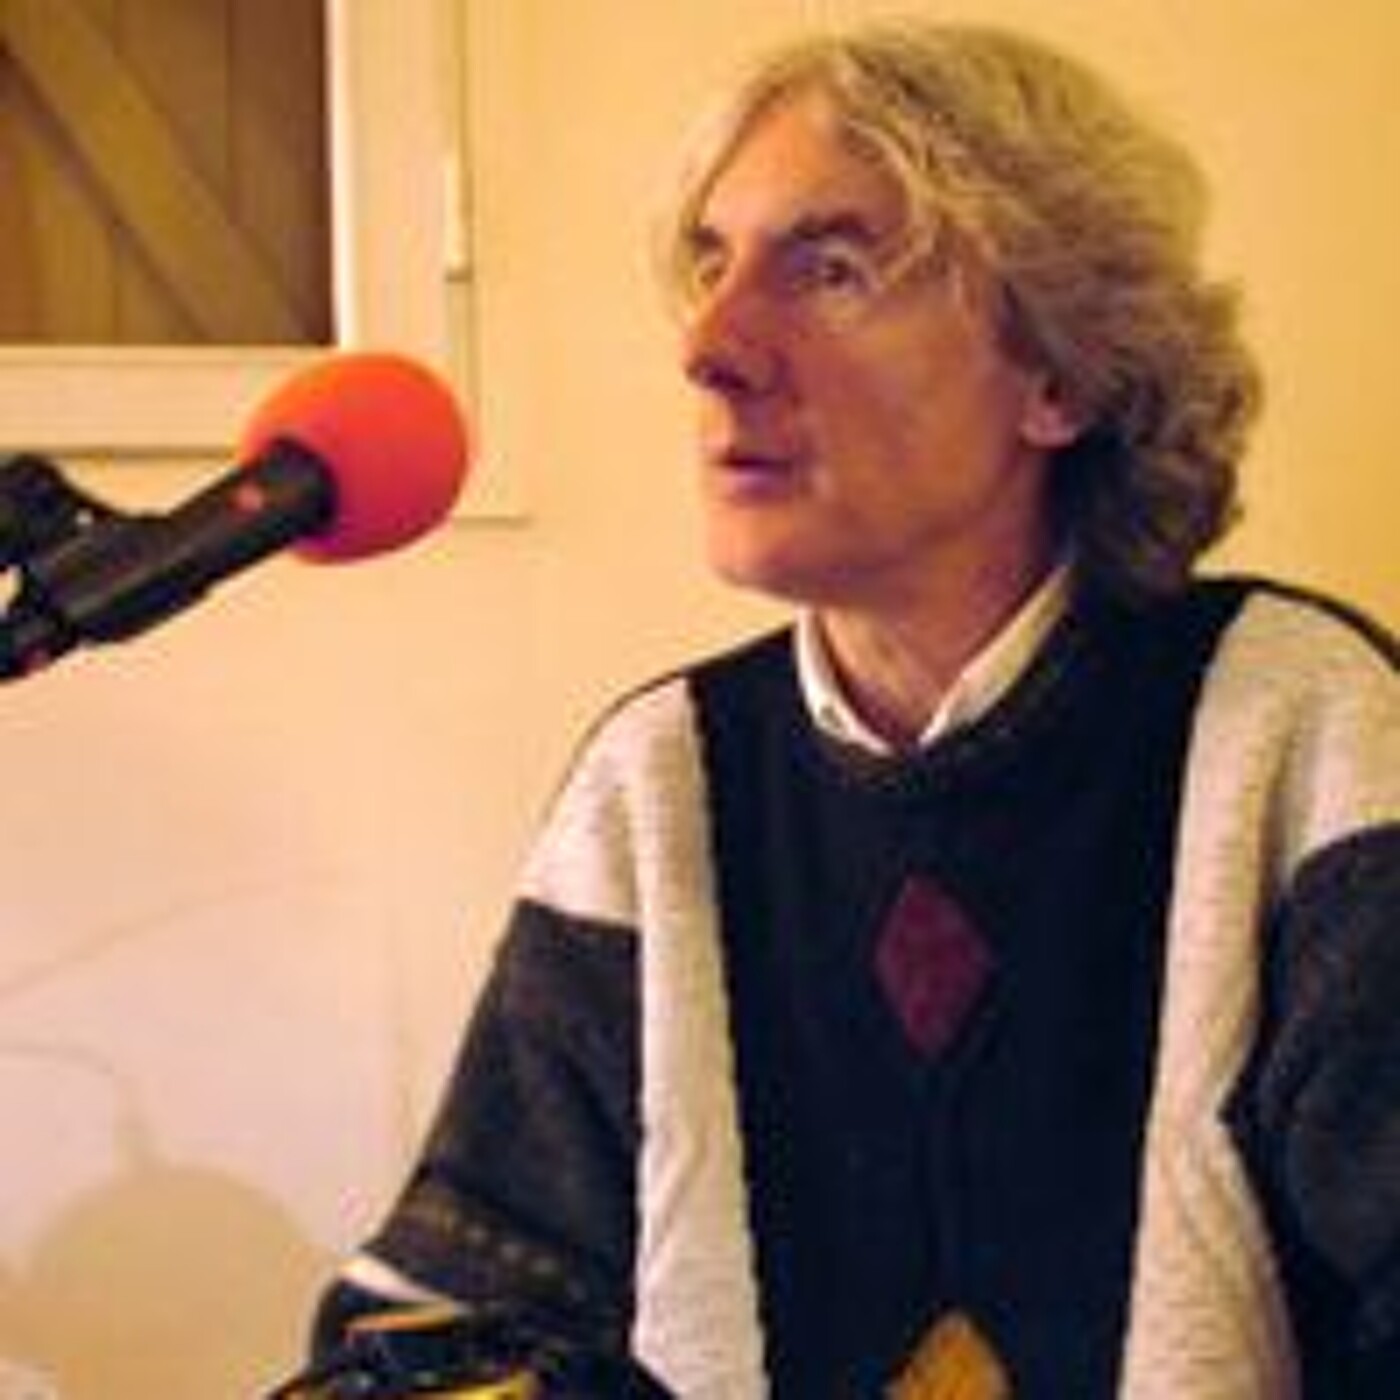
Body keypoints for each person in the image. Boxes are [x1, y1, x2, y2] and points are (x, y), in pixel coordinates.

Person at [298, 19, 1400, 1398]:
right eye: (710, 265)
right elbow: (454, 1317)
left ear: (1061, 372)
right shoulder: (663, 781)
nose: (710, 346)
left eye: (832, 269)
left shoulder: (1298, 732)